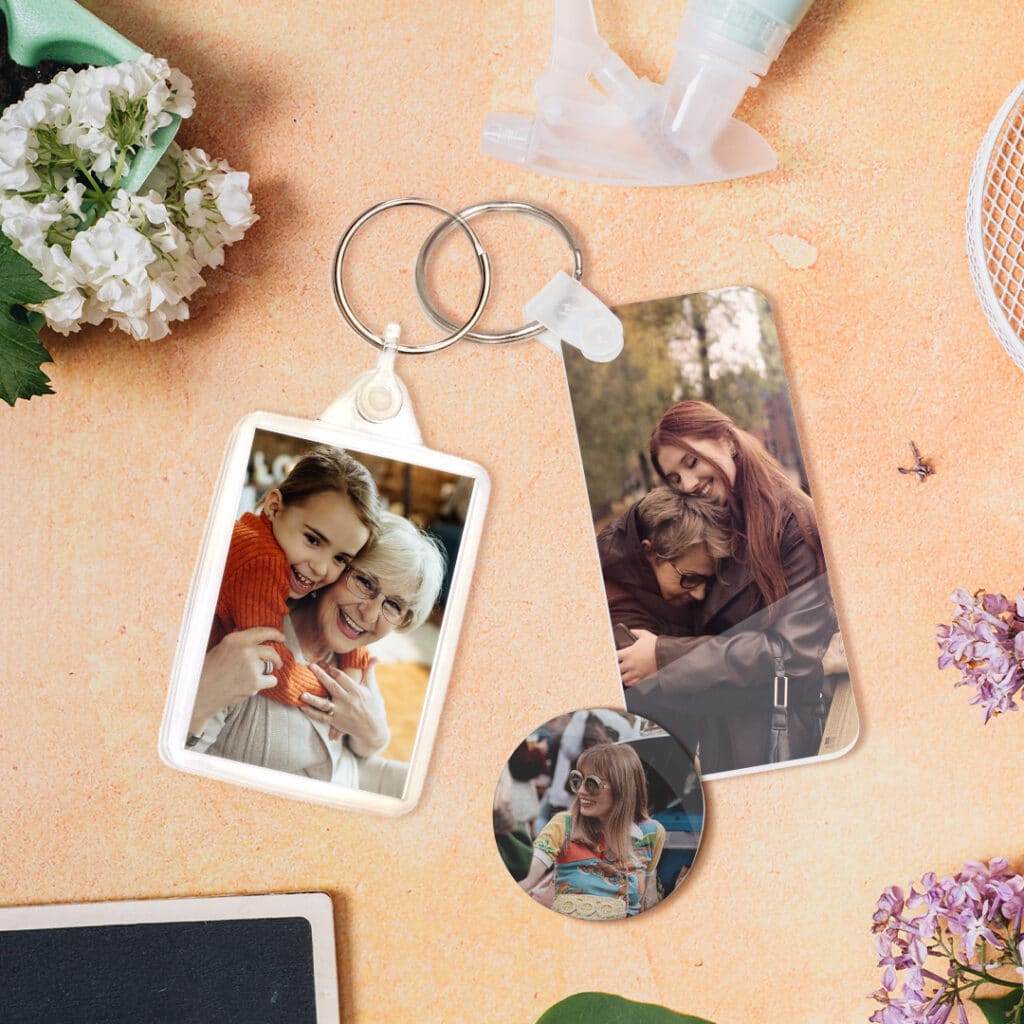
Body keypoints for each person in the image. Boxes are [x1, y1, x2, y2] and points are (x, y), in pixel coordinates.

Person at [617, 400, 839, 774]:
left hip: (779, 735)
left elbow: (794, 652)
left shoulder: (793, 525)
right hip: (728, 728)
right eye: (674, 478)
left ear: (726, 440)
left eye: (691, 462)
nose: (687, 484)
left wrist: (664, 655)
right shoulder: (719, 520)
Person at [189, 512, 445, 794]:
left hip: (352, 783)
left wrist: (375, 730)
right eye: (366, 583)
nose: (370, 613)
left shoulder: (355, 660)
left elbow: (362, 754)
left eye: (394, 605)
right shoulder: (252, 636)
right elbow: (190, 767)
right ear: (337, 567)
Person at [208, 444, 382, 708]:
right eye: (313, 540)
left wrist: (354, 658)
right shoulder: (260, 561)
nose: (321, 569)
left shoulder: (282, 551)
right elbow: (271, 668)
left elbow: (339, 604)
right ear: (274, 507)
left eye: (340, 558)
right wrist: (336, 694)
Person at [598, 487, 732, 688]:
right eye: (690, 578)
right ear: (649, 552)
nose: (700, 593)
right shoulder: (615, 610)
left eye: (707, 580)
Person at [518, 742, 665, 920]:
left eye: (592, 784)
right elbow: (526, 878)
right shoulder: (563, 825)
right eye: (578, 780)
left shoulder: (652, 833)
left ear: (622, 788)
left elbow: (648, 903)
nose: (581, 791)